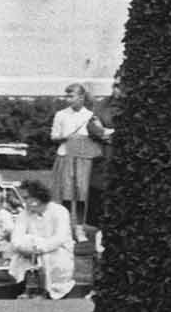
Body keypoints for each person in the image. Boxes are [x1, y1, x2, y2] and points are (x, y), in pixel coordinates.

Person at [49, 82, 110, 232]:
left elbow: (100, 134)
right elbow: (54, 136)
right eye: (67, 96)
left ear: (81, 97)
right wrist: (65, 137)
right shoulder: (61, 114)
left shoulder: (90, 115)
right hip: (65, 155)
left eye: (71, 96)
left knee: (82, 193)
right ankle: (66, 227)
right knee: (66, 193)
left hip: (84, 157)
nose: (68, 99)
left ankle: (79, 227)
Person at [7, 185, 76, 299]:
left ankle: (46, 291)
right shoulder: (24, 214)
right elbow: (16, 238)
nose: (23, 201)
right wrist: (28, 246)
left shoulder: (60, 211)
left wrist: (39, 247)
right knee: (22, 254)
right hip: (30, 249)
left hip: (58, 250)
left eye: (26, 198)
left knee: (48, 256)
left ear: (37, 199)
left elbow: (59, 238)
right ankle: (29, 290)